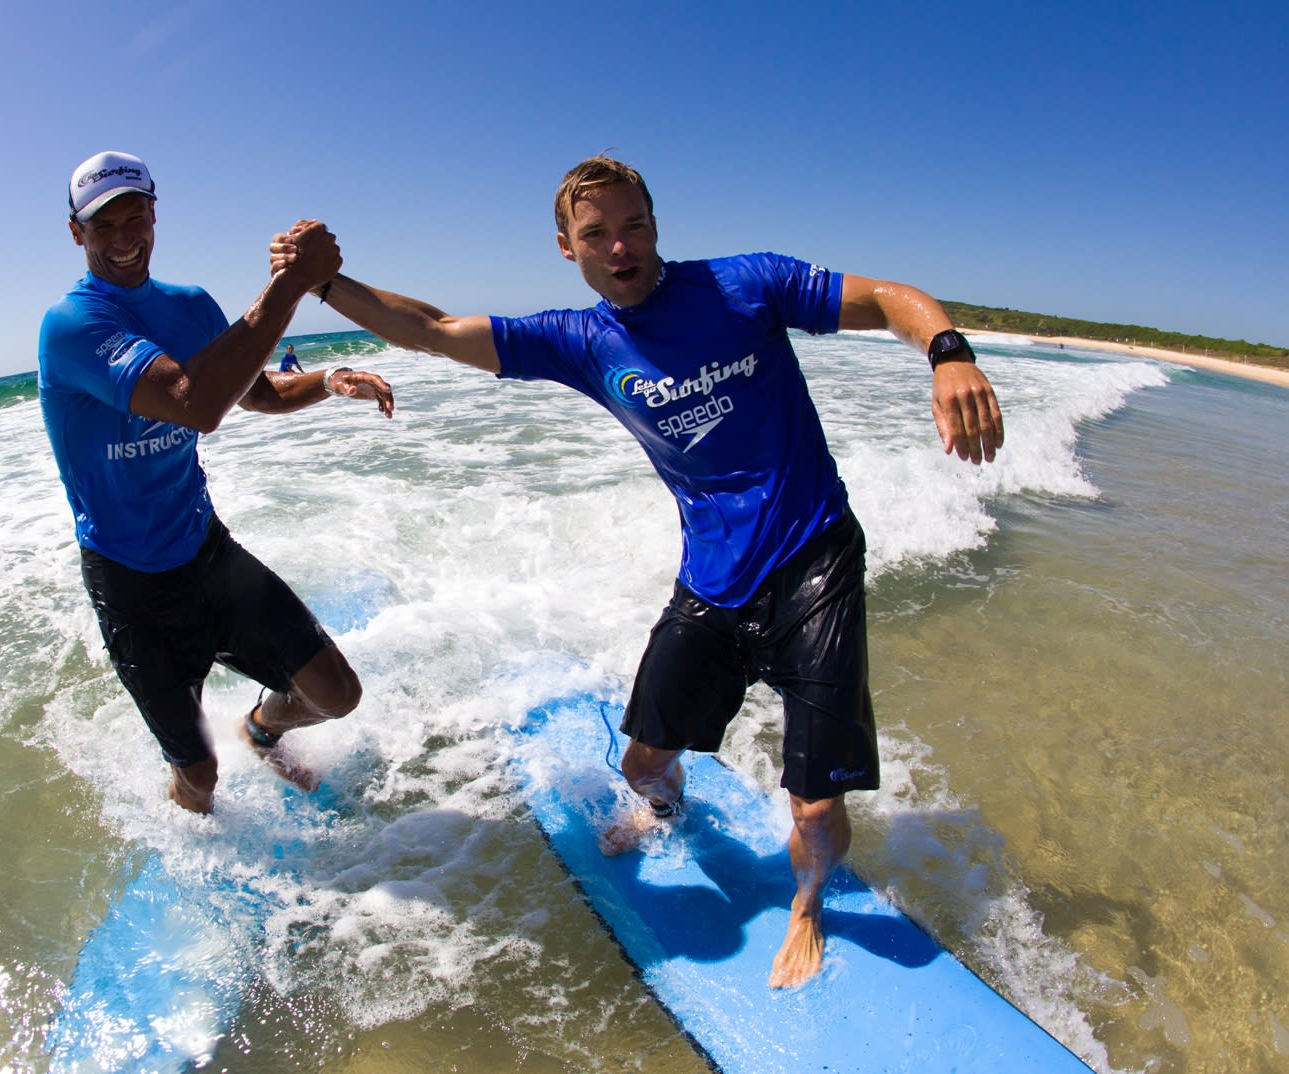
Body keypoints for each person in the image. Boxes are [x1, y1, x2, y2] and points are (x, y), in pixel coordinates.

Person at [276, 155, 1003, 988]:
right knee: (642, 764)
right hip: (711, 577)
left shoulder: (745, 287)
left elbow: (885, 298)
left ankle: (806, 907)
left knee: (814, 799)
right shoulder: (581, 342)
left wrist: (947, 352)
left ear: (655, 227)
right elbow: (433, 329)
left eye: (634, 227)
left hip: (814, 556)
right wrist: (325, 285)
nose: (619, 247)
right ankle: (664, 812)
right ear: (567, 248)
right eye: (597, 235)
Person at [38, 150, 395, 814]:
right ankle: (203, 868)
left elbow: (255, 395)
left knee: (335, 694)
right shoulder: (72, 326)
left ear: (153, 215)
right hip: (131, 583)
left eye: (134, 218)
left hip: (206, 553)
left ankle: (260, 729)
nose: (123, 240)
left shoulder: (190, 306)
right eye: (102, 227)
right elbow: (193, 403)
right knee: (198, 776)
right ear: (75, 234)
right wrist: (291, 283)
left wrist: (326, 380)